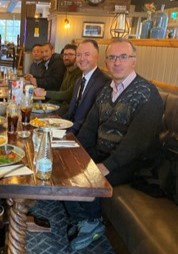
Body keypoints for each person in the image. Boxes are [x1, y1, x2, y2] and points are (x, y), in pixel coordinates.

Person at [63, 38, 164, 251]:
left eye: (123, 57)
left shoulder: (147, 93)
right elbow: (89, 128)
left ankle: (93, 223)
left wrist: (106, 166)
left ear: (133, 61)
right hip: (103, 151)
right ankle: (83, 218)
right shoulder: (106, 91)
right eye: (112, 58)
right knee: (67, 165)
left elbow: (138, 143)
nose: (117, 62)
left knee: (91, 176)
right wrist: (73, 150)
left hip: (135, 163)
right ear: (106, 62)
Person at [64, 39, 110, 135]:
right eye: (79, 55)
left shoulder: (104, 82)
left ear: (96, 56)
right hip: (69, 130)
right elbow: (71, 112)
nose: (82, 59)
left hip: (83, 137)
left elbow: (90, 120)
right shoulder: (79, 81)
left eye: (87, 54)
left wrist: (67, 134)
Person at [34, 44, 82, 115]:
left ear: (77, 56)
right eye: (65, 55)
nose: (67, 57)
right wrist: (46, 105)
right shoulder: (68, 70)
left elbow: (68, 94)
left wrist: (45, 93)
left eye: (70, 54)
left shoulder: (79, 73)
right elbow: (61, 91)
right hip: (62, 105)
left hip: (71, 110)